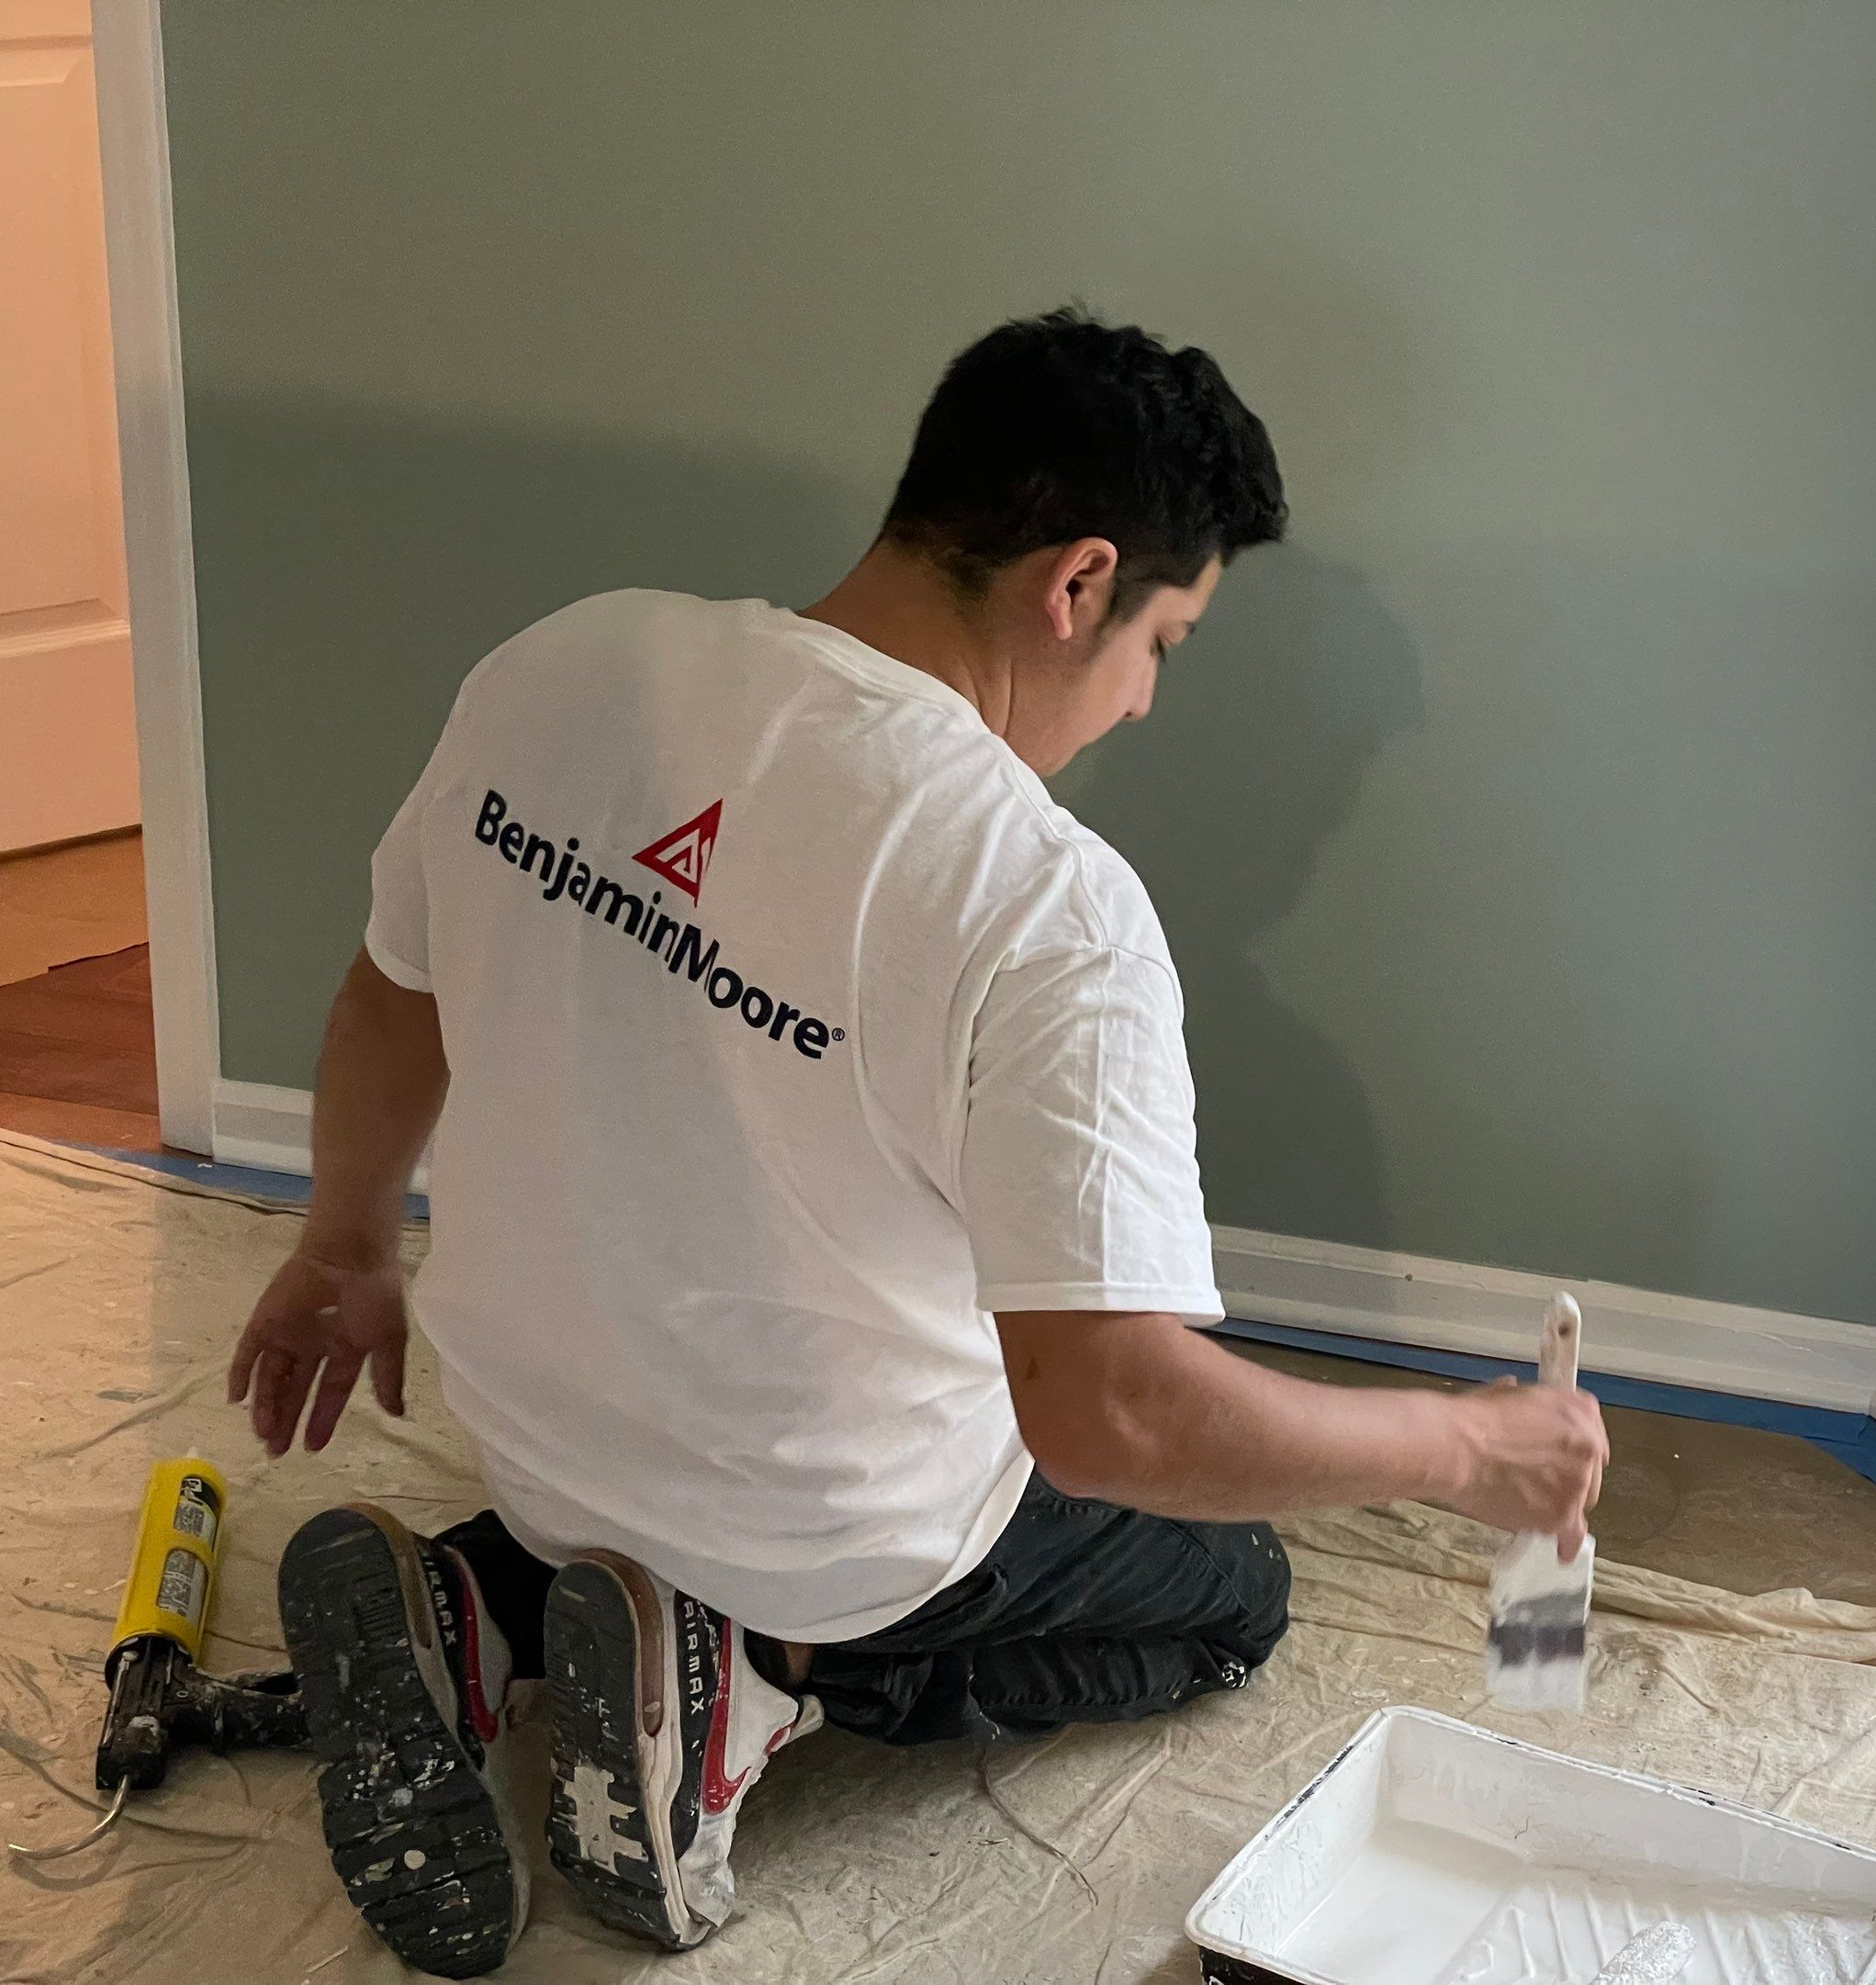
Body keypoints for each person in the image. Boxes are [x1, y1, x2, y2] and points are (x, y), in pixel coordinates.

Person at [225, 308, 1607, 1978]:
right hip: (840, 1548)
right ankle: (754, 1680)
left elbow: (393, 1000)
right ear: (1078, 583)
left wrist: (343, 1245)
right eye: (1164, 641)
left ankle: (485, 1604)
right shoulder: (1043, 906)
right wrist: (1469, 1451)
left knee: (694, 1466)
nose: (1147, 700)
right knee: (1229, 1588)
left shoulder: (568, 661)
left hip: (540, 1448)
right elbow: (1109, 1419)